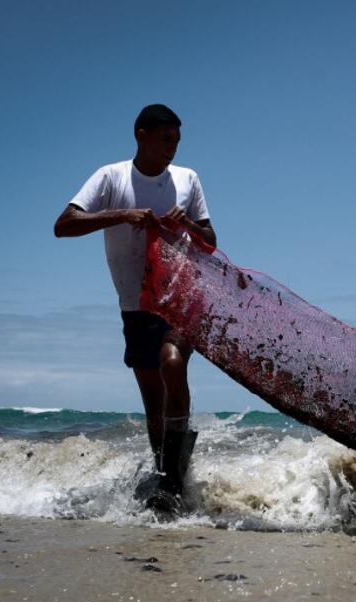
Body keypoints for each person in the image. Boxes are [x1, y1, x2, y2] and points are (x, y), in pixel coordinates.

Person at [54, 104, 217, 510]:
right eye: (166, 140)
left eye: (177, 141)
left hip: (180, 295)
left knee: (173, 363)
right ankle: (165, 476)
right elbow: (64, 225)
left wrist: (189, 226)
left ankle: (175, 483)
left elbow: (210, 241)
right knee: (152, 399)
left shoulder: (187, 179)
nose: (172, 149)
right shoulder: (110, 177)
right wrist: (123, 215)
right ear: (141, 135)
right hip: (134, 301)